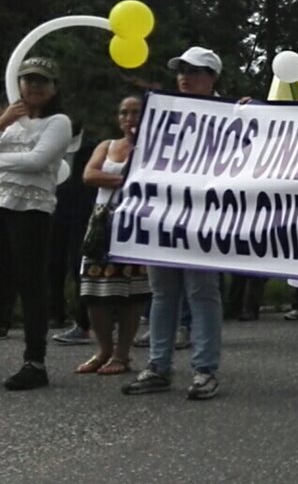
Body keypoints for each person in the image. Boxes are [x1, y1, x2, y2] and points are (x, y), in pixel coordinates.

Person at [123, 47, 226, 400]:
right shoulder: (162, 112)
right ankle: (157, 365)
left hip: (204, 218)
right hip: (162, 214)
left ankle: (204, 369)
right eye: (180, 69)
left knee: (201, 292)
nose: (184, 76)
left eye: (194, 70)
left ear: (211, 77)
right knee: (163, 293)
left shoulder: (233, 115)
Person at [0, 57, 72, 390]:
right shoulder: (9, 120)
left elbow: (37, 161)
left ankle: (35, 361)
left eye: (42, 81)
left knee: (31, 284)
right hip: (2, 204)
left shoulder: (59, 122)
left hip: (33, 211)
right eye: (28, 80)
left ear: (54, 87)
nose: (34, 86)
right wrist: (2, 122)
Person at [74, 96, 151, 376]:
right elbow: (89, 175)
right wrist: (126, 180)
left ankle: (122, 353)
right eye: (124, 112)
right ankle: (103, 349)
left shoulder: (153, 148)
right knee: (94, 290)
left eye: (135, 112)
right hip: (102, 220)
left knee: (132, 290)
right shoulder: (107, 146)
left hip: (135, 221)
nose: (129, 117)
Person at [49, 120, 97, 342]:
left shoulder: (91, 146)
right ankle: (54, 313)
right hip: (53, 209)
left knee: (79, 266)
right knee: (53, 263)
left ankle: (83, 321)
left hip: (83, 213)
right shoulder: (52, 142)